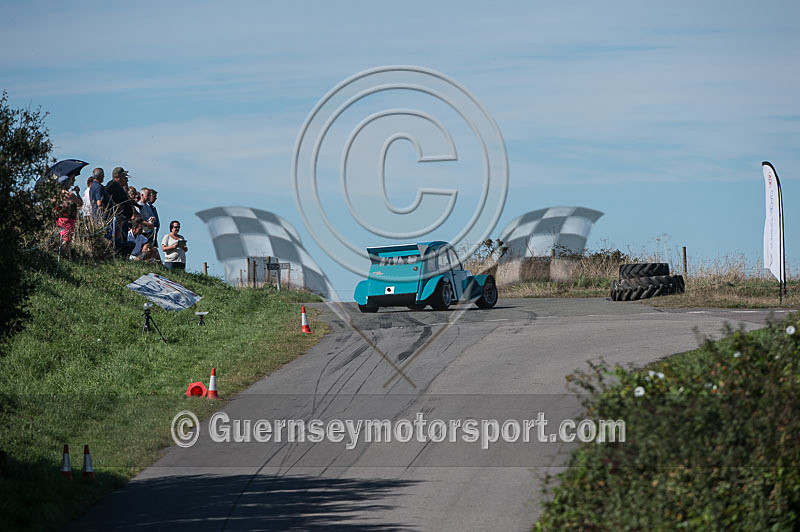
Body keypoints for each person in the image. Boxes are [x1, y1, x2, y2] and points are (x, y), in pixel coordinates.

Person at [55, 173, 83, 260]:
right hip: (69, 220)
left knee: (63, 238)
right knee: (66, 241)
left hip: (60, 219)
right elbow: (80, 203)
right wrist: (77, 193)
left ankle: (66, 257)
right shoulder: (70, 195)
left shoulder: (57, 195)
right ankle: (67, 258)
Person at [105, 167, 134, 233]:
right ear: (117, 176)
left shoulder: (119, 186)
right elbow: (105, 195)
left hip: (124, 219)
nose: (125, 178)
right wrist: (114, 205)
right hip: (118, 220)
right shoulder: (111, 185)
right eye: (123, 176)